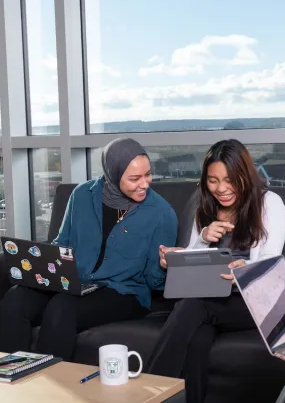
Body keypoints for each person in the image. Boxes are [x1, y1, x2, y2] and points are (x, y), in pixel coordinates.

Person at [0, 138, 177, 361]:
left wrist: (165, 266)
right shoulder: (82, 195)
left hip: (124, 292)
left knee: (62, 307)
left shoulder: (161, 213)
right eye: (134, 178)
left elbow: (155, 282)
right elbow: (61, 243)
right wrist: (44, 269)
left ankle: (48, 388)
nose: (144, 184)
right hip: (74, 281)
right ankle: (9, 381)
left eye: (148, 174)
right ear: (113, 173)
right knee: (16, 299)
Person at [145, 139, 285, 403]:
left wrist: (244, 270)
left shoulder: (270, 204)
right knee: (198, 339)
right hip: (210, 297)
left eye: (229, 180)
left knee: (193, 306)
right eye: (212, 181)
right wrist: (194, 244)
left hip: (249, 299)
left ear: (244, 175)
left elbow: (270, 264)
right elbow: (193, 259)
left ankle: (149, 392)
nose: (221, 189)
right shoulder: (205, 207)